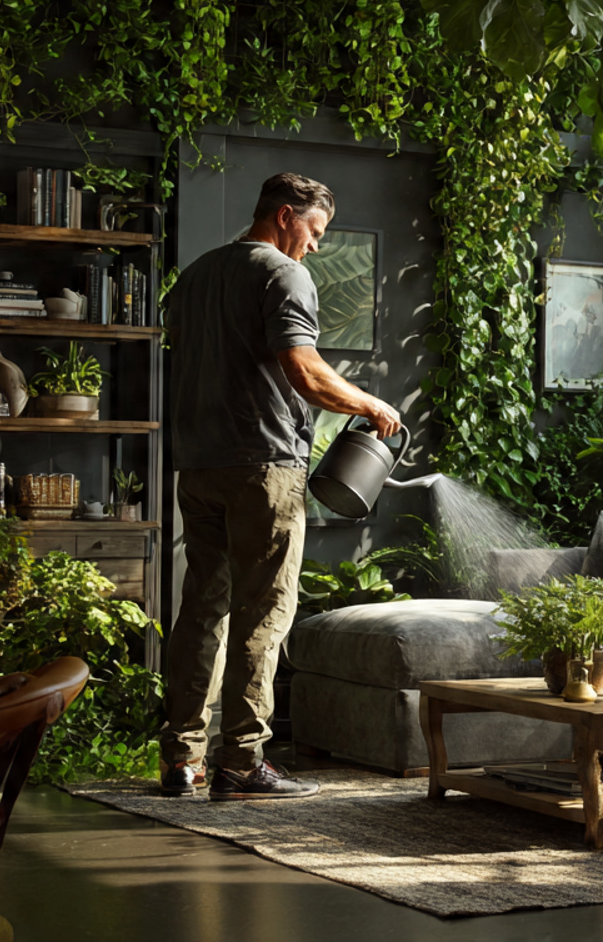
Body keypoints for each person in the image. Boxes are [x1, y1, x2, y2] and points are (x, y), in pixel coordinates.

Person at [159, 172, 401, 800]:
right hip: (263, 466)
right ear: (288, 216)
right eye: (315, 231)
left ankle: (183, 760)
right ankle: (241, 762)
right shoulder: (282, 273)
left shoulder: (195, 278)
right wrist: (370, 403)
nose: (316, 246)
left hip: (198, 464)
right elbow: (304, 369)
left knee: (202, 608)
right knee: (264, 611)